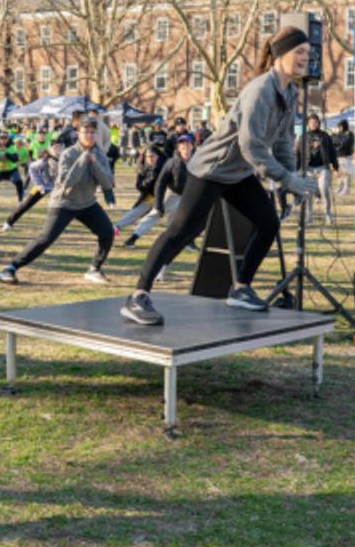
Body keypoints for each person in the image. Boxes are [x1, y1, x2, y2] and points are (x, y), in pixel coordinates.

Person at [121, 27, 320, 325]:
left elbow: (280, 141)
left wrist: (291, 175)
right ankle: (137, 297)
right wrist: (285, 179)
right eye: (299, 52)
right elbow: (250, 145)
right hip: (211, 169)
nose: (306, 58)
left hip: (238, 173)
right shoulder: (260, 90)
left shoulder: (290, 92)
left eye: (308, 53)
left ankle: (240, 289)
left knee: (268, 222)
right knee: (182, 230)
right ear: (280, 55)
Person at [0, 117, 115, 284]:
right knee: (46, 238)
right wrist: (83, 159)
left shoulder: (100, 155)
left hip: (87, 203)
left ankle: (94, 269)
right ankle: (10, 268)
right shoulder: (68, 154)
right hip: (64, 202)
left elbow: (108, 183)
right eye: (85, 132)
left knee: (107, 232)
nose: (89, 135)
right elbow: (68, 181)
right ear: (78, 134)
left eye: (92, 132)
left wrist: (94, 163)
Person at [124, 134, 194, 247]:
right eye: (183, 146)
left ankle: (188, 242)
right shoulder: (172, 162)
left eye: (188, 145)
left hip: (189, 196)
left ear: (192, 146)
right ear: (178, 148)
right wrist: (158, 203)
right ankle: (132, 238)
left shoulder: (198, 161)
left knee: (184, 220)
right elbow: (161, 183)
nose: (185, 149)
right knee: (155, 215)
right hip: (173, 194)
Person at [3, 143, 60, 231]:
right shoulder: (43, 161)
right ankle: (9, 222)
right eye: (55, 148)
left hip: (58, 187)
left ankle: (56, 226)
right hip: (42, 186)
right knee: (27, 204)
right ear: (51, 149)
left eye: (59, 147)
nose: (58, 150)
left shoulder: (65, 158)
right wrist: (39, 184)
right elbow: (31, 168)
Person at [296, 114, 337, 223]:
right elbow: (298, 153)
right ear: (308, 124)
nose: (314, 124)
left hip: (323, 167)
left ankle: (328, 214)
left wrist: (335, 165)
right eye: (311, 122)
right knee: (308, 193)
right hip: (308, 168)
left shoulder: (325, 136)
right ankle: (309, 217)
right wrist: (296, 168)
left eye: (315, 122)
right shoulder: (303, 137)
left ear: (319, 123)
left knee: (324, 189)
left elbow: (332, 151)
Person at [113, 146, 163, 234]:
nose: (150, 159)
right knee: (137, 212)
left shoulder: (165, 166)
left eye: (152, 156)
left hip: (166, 196)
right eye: (148, 157)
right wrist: (147, 182)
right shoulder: (143, 168)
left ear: (158, 156)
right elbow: (139, 186)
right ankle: (117, 227)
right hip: (151, 196)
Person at [331, 119, 355, 196]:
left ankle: (346, 189)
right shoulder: (338, 134)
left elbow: (345, 143)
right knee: (339, 173)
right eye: (339, 126)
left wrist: (338, 144)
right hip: (338, 156)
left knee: (346, 173)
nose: (339, 128)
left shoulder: (349, 134)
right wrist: (338, 144)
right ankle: (340, 187)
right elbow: (333, 141)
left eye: (341, 126)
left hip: (346, 157)